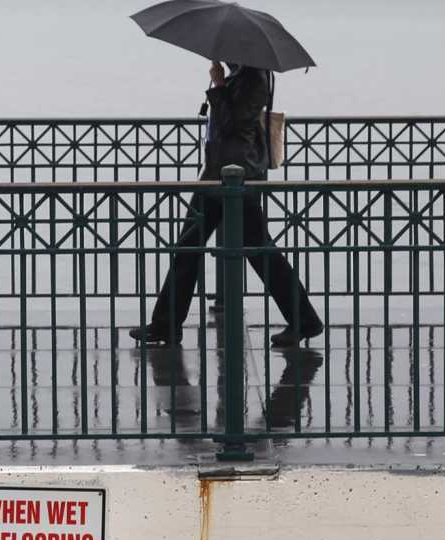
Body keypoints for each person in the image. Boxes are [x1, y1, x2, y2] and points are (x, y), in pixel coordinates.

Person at [130, 60, 324, 348]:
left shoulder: (254, 77)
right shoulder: (242, 74)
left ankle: (305, 320)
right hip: (218, 175)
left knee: (258, 251)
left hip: (236, 177)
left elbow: (233, 125)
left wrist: (219, 87)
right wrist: (221, 85)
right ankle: (165, 324)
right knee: (190, 247)